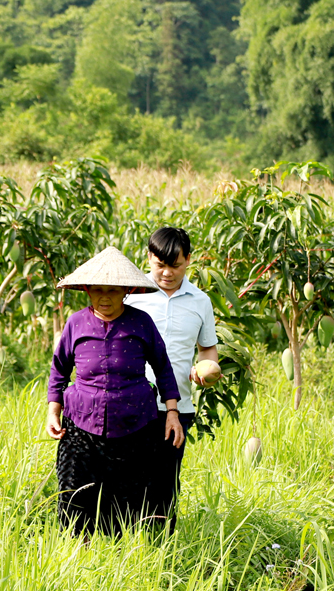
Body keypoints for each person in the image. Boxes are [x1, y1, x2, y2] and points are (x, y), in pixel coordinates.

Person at [45, 246, 184, 536]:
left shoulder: (141, 323)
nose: (104, 297)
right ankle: (76, 553)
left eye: (112, 290)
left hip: (135, 425)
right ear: (87, 290)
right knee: (74, 492)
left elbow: (163, 367)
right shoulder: (76, 323)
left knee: (129, 497)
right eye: (97, 290)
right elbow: (59, 369)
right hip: (81, 424)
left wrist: (172, 412)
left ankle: (125, 553)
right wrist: (53, 411)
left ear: (125, 291)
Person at [125, 227, 220, 530]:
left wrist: (206, 370)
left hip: (177, 409)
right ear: (149, 258)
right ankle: (122, 546)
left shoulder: (200, 301)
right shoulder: (131, 295)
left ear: (188, 260)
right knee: (128, 480)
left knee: (165, 485)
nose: (166, 273)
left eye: (175, 266)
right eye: (159, 265)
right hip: (130, 404)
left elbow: (207, 351)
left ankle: (161, 550)